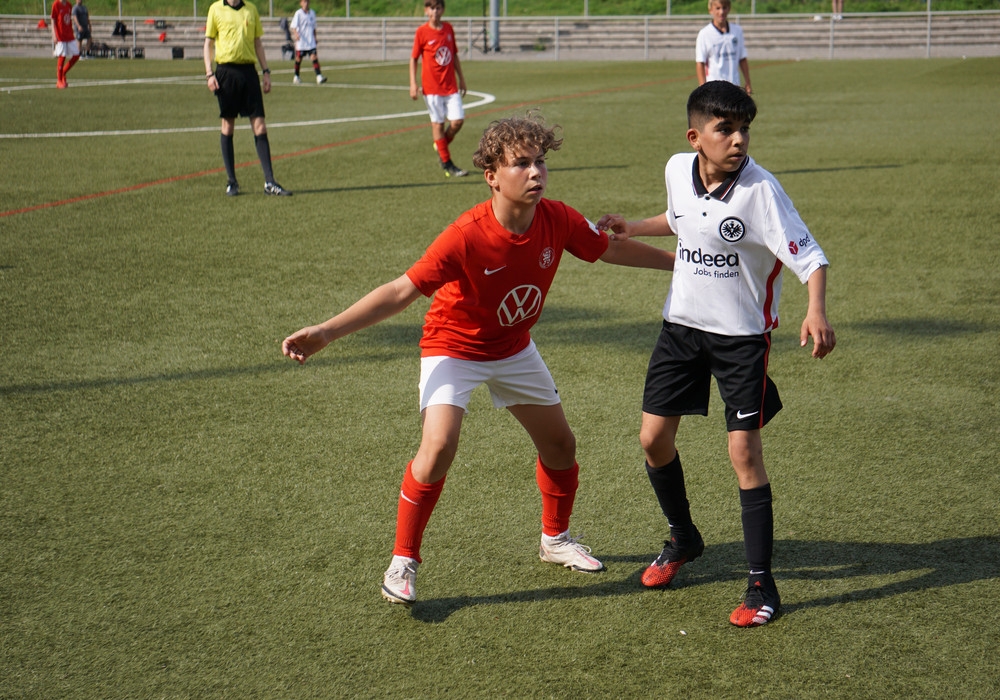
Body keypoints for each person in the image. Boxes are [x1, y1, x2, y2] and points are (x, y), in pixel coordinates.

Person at [282, 113, 676, 606]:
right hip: (454, 347)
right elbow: (402, 290)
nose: (535, 172)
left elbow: (610, 251)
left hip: (513, 347)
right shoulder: (466, 234)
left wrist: (684, 263)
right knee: (439, 446)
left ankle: (555, 540)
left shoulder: (558, 218)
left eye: (540, 162)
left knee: (560, 445)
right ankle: (403, 561)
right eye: (520, 164)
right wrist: (326, 332)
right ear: (491, 175)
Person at [597, 81, 835, 627]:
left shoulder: (761, 191)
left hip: (741, 340)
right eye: (725, 129)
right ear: (695, 137)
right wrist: (634, 226)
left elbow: (811, 257)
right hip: (680, 328)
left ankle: (762, 584)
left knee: (743, 452)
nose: (738, 140)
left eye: (744, 129)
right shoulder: (676, 169)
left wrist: (816, 310)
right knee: (653, 439)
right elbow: (682, 218)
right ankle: (683, 537)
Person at [204, 0, 291, 197]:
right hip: (226, 72)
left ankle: (270, 182)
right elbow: (208, 43)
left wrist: (266, 71)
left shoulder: (251, 10)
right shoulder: (216, 9)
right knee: (228, 125)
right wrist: (209, 74)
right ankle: (232, 182)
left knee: (260, 125)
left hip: (249, 73)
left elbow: (257, 43)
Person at [410, 0, 468, 179]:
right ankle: (447, 162)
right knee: (438, 124)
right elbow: (413, 58)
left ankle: (440, 145)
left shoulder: (448, 29)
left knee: (458, 121)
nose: (435, 11)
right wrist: (413, 83)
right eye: (431, 8)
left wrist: (462, 79)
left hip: (450, 86)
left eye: (438, 8)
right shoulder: (421, 31)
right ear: (426, 11)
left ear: (443, 10)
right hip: (431, 87)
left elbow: (454, 54)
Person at [695, 0, 752, 95]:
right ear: (711, 10)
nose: (721, 12)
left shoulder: (737, 31)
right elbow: (700, 62)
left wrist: (748, 82)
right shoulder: (704, 34)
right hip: (714, 88)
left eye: (724, 8)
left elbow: (742, 58)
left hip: (734, 86)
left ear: (729, 9)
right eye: (717, 8)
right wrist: (702, 88)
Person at [290, 0, 327, 85]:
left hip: (310, 41)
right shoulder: (298, 13)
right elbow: (293, 26)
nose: (306, 3)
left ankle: (319, 76)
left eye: (307, 2)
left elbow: (314, 27)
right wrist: (296, 35)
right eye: (304, 2)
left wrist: (315, 38)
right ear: (301, 3)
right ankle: (296, 76)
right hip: (302, 41)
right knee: (298, 59)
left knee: (314, 57)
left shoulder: (312, 13)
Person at [50, 0, 80, 89]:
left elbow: (68, 20)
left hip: (69, 34)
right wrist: (54, 34)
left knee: (76, 55)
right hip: (60, 35)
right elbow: (53, 20)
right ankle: (59, 80)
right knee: (62, 56)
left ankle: (63, 72)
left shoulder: (69, 5)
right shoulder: (56, 4)